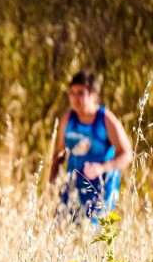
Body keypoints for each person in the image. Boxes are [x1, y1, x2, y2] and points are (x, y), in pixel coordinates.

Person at [49, 70, 133, 222]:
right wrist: (52, 180)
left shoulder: (106, 119)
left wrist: (102, 168)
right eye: (72, 93)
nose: (75, 98)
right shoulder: (68, 120)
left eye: (80, 93)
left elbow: (127, 154)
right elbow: (59, 153)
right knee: (62, 228)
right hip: (73, 184)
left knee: (91, 236)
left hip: (101, 188)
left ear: (94, 95)